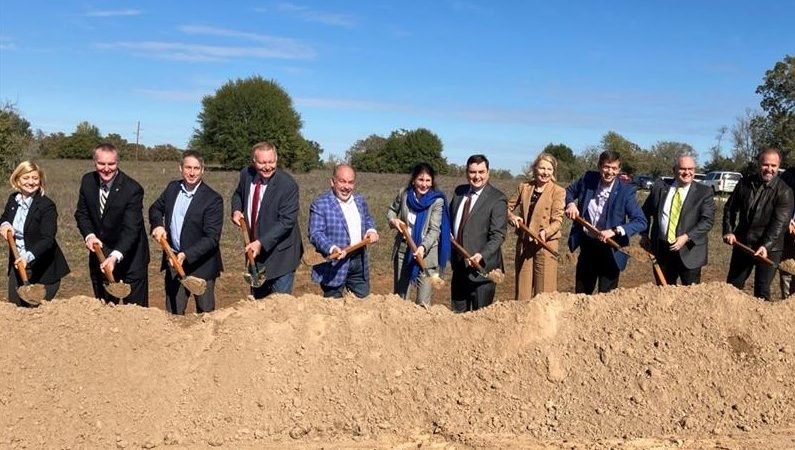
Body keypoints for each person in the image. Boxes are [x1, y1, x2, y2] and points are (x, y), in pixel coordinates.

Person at [75, 143, 150, 306]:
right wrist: (89, 235)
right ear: (94, 162)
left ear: (118, 163)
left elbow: (131, 229)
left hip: (131, 256)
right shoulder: (88, 181)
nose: (106, 169)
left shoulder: (132, 189)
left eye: (111, 164)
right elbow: (82, 214)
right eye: (101, 164)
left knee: (136, 311)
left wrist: (115, 256)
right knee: (104, 308)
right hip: (100, 254)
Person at [149, 150, 223, 314]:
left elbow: (212, 238)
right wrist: (157, 225)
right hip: (173, 260)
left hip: (201, 265)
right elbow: (155, 208)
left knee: (205, 315)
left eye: (196, 168)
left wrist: (186, 255)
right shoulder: (172, 188)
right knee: (174, 313)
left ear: (202, 170)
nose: (192, 172)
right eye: (188, 167)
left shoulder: (213, 199)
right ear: (180, 168)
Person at [565, 150, 647, 294]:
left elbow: (640, 221)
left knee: (606, 298)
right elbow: (568, 192)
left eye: (614, 168)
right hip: (588, 246)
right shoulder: (587, 179)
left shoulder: (625, 191)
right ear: (599, 166)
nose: (610, 172)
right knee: (582, 295)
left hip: (611, 250)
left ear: (619, 170)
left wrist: (614, 231)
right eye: (606, 167)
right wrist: (571, 203)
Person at [231, 141, 303, 298]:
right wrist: (236, 210)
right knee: (258, 306)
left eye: (271, 162)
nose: (267, 167)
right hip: (255, 254)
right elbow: (238, 194)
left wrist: (261, 243)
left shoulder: (288, 185)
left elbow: (286, 222)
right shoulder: (246, 174)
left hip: (281, 255)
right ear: (253, 161)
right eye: (262, 162)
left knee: (280, 307)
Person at [723, 147, 794, 301]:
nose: (769, 169)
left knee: (762, 290)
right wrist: (728, 230)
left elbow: (780, 224)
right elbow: (730, 208)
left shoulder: (785, 191)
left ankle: (759, 323)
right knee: (733, 287)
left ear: (778, 166)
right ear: (758, 164)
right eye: (765, 165)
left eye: (773, 166)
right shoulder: (744, 184)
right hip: (743, 244)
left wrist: (765, 246)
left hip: (771, 248)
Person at [0, 161, 70, 306]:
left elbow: (48, 239)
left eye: (35, 178)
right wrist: (5, 224)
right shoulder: (13, 200)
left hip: (43, 269)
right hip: (17, 265)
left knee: (36, 314)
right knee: (15, 309)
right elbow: (5, 218)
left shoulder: (46, 205)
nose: (31, 182)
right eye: (26, 178)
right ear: (17, 179)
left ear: (40, 180)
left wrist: (26, 257)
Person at [641, 154, 715, 285]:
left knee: (690, 297)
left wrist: (687, 236)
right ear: (674, 170)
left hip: (690, 252)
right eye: (682, 169)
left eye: (691, 169)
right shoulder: (660, 188)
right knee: (664, 293)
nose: (687, 172)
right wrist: (644, 234)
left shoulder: (704, 192)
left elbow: (707, 221)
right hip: (662, 251)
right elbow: (644, 212)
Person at [308, 164, 379, 298]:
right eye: (342, 181)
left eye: (350, 182)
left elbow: (368, 218)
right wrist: (331, 248)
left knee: (363, 304)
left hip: (359, 261)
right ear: (332, 182)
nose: (346, 187)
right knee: (334, 308)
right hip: (335, 264)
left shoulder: (359, 200)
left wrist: (371, 230)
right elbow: (315, 233)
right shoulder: (320, 204)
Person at [387, 163, 451, 307]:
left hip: (426, 254)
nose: (424, 184)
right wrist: (393, 220)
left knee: (423, 302)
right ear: (413, 180)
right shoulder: (404, 194)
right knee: (400, 298)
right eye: (420, 180)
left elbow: (435, 230)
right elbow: (391, 210)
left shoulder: (437, 200)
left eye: (428, 180)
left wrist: (423, 247)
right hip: (404, 250)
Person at [449, 154, 507, 312]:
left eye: (481, 172)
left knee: (481, 320)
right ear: (467, 173)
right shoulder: (459, 192)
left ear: (488, 172)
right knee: (457, 317)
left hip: (482, 270)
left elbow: (498, 235)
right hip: (459, 267)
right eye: (473, 172)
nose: (477, 176)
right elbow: (450, 219)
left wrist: (481, 255)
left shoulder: (498, 198)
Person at [507, 153, 565, 300]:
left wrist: (546, 232)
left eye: (549, 169)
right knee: (522, 293)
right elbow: (506, 208)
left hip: (545, 244)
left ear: (553, 172)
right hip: (525, 243)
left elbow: (557, 221)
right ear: (535, 169)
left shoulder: (558, 191)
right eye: (542, 168)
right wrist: (512, 217)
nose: (545, 172)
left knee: (544, 295)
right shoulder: (524, 187)